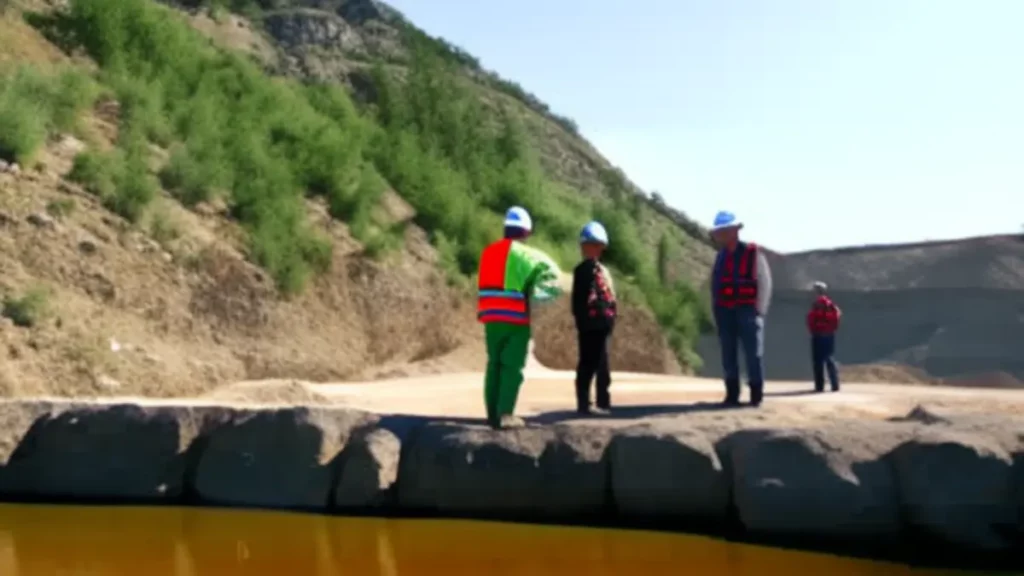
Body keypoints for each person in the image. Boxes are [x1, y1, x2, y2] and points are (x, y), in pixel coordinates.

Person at [477, 206, 565, 429]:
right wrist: (540, 299)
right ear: (526, 232)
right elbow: (553, 276)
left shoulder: (488, 252)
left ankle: (492, 414)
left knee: (494, 363)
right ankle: (505, 414)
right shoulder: (529, 255)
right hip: (515, 317)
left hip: (490, 316)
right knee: (511, 366)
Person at [708, 210, 773, 407]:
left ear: (735, 230)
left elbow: (764, 283)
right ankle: (732, 394)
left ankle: (756, 395)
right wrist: (716, 310)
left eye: (723, 230)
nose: (719, 235)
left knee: (753, 354)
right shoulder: (720, 257)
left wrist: (758, 311)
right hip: (725, 311)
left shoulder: (753, 253)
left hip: (748, 311)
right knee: (728, 354)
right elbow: (716, 284)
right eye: (718, 231)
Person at [571, 221, 617, 416]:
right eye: (590, 245)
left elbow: (611, 296)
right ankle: (584, 403)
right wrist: (582, 322)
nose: (594, 249)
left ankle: (603, 401)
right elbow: (578, 301)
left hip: (603, 325)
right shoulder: (581, 271)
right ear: (583, 247)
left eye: (598, 245)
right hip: (588, 326)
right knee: (587, 364)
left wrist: (611, 319)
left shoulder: (604, 271)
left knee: (603, 366)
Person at [807, 280, 842, 392]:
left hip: (818, 334)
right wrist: (831, 330)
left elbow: (811, 319)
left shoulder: (817, 304)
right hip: (829, 334)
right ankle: (835, 384)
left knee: (818, 360)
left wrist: (813, 330)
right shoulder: (831, 305)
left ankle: (819, 386)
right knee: (829, 358)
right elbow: (837, 317)